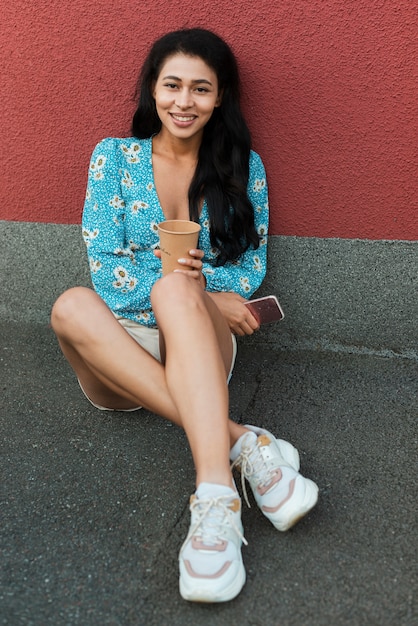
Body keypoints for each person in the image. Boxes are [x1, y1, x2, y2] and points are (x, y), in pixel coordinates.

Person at [51, 28, 318, 603]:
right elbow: (106, 270)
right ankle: (243, 443)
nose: (183, 101)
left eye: (201, 89)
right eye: (172, 85)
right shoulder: (113, 158)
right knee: (71, 303)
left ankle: (216, 501)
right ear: (153, 88)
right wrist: (178, 284)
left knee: (177, 292)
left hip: (202, 338)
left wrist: (207, 293)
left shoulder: (242, 169)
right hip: (124, 349)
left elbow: (249, 266)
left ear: (220, 98)